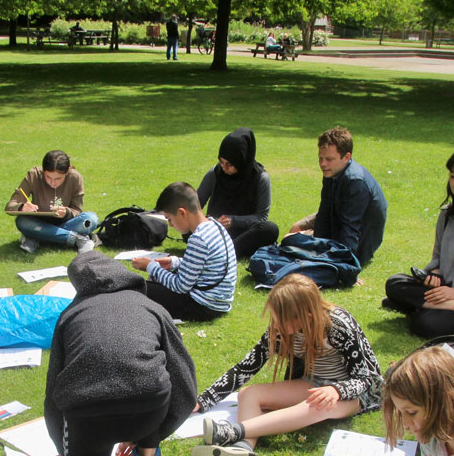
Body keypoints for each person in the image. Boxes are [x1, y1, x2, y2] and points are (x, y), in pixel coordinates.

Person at [45, 251, 197, 456]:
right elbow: (183, 377)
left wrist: (66, 450)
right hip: (148, 406)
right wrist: (159, 429)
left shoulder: (71, 314)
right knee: (157, 384)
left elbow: (54, 390)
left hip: (87, 415)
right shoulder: (152, 307)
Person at [192, 273, 381, 456]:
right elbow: (246, 367)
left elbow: (365, 377)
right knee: (249, 393)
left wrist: (336, 391)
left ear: (306, 316)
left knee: (318, 405)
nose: (274, 324)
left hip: (356, 395)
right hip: (313, 382)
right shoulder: (279, 330)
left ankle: (232, 431)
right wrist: (203, 400)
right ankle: (243, 448)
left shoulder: (338, 326)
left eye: (280, 319)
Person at [383, 147, 454, 337]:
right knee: (395, 282)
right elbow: (437, 258)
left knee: (424, 324)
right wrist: (433, 276)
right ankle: (432, 306)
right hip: (443, 289)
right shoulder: (447, 215)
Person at [130, 182, 236, 321]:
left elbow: (180, 286)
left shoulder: (198, 238)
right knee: (158, 280)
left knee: (136, 287)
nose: (170, 224)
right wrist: (174, 262)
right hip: (218, 302)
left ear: (182, 213)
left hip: (202, 306)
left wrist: (150, 266)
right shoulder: (215, 226)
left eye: (169, 219)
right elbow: (204, 264)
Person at [288, 127, 388, 266]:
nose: (323, 164)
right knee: (294, 231)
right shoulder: (332, 172)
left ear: (347, 157)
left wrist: (347, 265)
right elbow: (324, 212)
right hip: (337, 217)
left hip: (359, 239)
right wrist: (318, 246)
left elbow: (351, 227)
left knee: (292, 242)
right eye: (321, 158)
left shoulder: (356, 182)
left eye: (329, 159)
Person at [196, 127, 280, 260]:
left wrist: (233, 221)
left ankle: (226, 251)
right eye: (221, 162)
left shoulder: (260, 178)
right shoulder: (215, 173)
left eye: (229, 164)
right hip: (215, 230)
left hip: (244, 232)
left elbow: (261, 217)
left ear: (242, 160)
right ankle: (224, 250)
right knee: (188, 224)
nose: (224, 168)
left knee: (270, 229)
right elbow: (196, 203)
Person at [5, 150, 97, 254]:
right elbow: (10, 206)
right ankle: (78, 239)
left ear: (66, 172)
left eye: (58, 178)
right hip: (38, 221)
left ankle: (38, 236)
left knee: (91, 220)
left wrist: (66, 212)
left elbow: (77, 210)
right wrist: (21, 207)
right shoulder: (34, 175)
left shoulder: (75, 177)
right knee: (22, 222)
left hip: (66, 222)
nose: (53, 183)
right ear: (43, 171)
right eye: (48, 177)